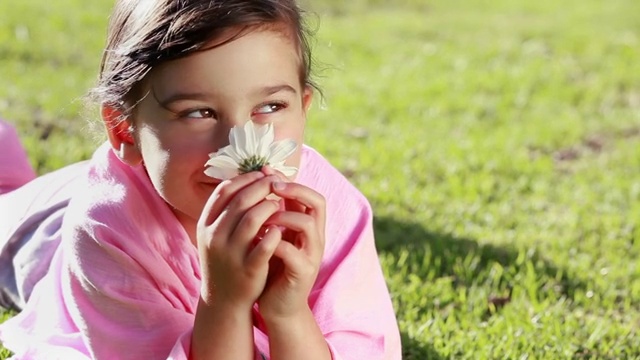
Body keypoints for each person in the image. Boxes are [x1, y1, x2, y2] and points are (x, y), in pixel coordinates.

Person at [0, 0, 402, 359]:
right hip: (44, 231)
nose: (239, 143)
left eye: (271, 106)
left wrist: (289, 313)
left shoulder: (331, 207)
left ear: (303, 108)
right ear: (125, 130)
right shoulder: (106, 229)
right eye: (198, 112)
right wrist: (223, 302)